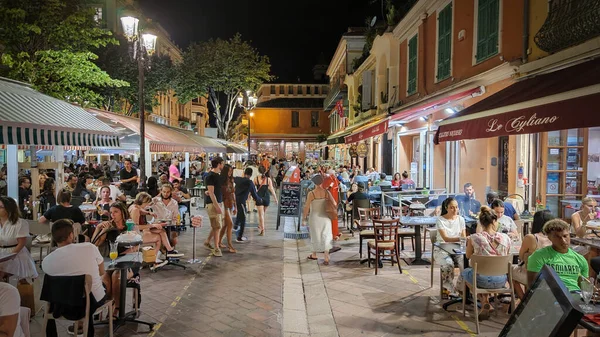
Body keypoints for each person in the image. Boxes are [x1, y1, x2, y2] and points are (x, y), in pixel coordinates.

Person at [42, 219, 107, 337]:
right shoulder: (89, 248)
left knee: (83, 290)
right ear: (71, 235)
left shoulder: (46, 262)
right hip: (88, 303)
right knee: (99, 287)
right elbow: (102, 271)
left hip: (62, 306)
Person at [462, 206, 512, 320]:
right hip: (501, 280)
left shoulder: (473, 238)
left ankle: (484, 301)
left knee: (466, 272)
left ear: (480, 222)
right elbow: (507, 255)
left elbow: (468, 256)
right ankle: (486, 301)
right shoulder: (506, 238)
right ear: (495, 221)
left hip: (481, 279)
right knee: (481, 273)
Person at [527, 219, 589, 291]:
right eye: (557, 237)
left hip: (575, 295)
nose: (563, 240)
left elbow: (586, 288)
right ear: (549, 238)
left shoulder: (580, 259)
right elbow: (532, 287)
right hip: (550, 295)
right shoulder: (539, 256)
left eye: (565, 236)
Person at [129, 192, 181, 265]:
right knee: (158, 237)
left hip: (139, 231)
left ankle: (168, 251)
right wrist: (152, 225)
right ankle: (153, 260)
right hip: (135, 235)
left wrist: (149, 213)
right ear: (144, 202)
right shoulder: (135, 210)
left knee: (161, 230)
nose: (148, 206)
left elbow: (142, 211)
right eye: (147, 204)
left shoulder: (135, 206)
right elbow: (135, 227)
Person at [512, 210, 554, 299]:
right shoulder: (556, 237)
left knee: (510, 273)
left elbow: (521, 256)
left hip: (534, 275)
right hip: (553, 275)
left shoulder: (531, 238)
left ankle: (524, 301)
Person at [0, 196, 38, 283]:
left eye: (1, 207)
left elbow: (21, 243)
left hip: (15, 253)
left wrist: (10, 256)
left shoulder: (20, 223)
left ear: (8, 209)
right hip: (1, 253)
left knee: (8, 275)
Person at [435, 197, 466, 298]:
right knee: (448, 265)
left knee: (465, 264)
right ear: (446, 208)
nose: (455, 210)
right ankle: (449, 289)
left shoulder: (461, 219)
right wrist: (461, 238)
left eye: (456, 207)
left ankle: (460, 287)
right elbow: (446, 238)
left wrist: (462, 239)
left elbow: (463, 237)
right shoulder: (440, 220)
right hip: (442, 247)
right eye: (452, 207)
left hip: (458, 248)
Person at [303, 174, 335, 265]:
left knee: (315, 236)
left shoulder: (311, 193)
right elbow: (335, 203)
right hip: (325, 217)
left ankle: (314, 254)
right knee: (326, 235)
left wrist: (304, 219)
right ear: (322, 182)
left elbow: (306, 207)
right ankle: (326, 256)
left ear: (314, 183)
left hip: (314, 218)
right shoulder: (326, 192)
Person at [233, 168, 262, 243]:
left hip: (235, 200)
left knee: (240, 214)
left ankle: (235, 226)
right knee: (243, 218)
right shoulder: (250, 183)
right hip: (242, 202)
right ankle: (239, 237)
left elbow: (232, 180)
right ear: (251, 175)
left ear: (244, 172)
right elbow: (254, 195)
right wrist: (260, 200)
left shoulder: (237, 179)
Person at [205, 157, 225, 257]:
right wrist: (217, 206)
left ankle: (208, 241)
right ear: (219, 164)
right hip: (213, 204)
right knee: (217, 226)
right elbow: (211, 193)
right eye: (222, 163)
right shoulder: (210, 176)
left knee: (216, 225)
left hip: (217, 203)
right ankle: (216, 248)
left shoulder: (216, 175)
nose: (223, 165)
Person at [218, 164, 237, 253]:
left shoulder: (231, 180)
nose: (230, 172)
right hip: (223, 203)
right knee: (230, 224)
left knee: (226, 224)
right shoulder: (221, 181)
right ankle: (230, 245)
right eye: (229, 171)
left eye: (231, 171)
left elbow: (233, 193)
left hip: (230, 203)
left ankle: (218, 241)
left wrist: (235, 206)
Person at [255, 166, 278, 236]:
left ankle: (262, 230)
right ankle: (260, 225)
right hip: (266, 198)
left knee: (261, 215)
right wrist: (276, 199)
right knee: (263, 213)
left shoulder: (256, 179)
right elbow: (272, 190)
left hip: (259, 198)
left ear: (258, 171)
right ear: (265, 171)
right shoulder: (268, 180)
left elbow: (252, 189)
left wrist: (249, 196)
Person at [322, 169, 341, 240]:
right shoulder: (333, 179)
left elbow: (325, 188)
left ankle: (333, 234)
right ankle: (334, 233)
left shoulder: (330, 179)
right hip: (333, 202)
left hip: (330, 202)